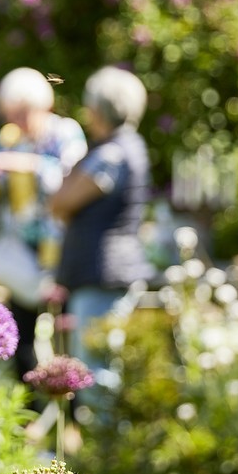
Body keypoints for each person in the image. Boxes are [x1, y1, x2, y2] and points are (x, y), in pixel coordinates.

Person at [0, 67, 87, 394]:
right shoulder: (8, 138)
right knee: (22, 337)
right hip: (20, 256)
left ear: (41, 105)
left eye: (20, 113)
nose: (15, 121)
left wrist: (20, 163)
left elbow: (71, 180)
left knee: (63, 338)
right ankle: (29, 417)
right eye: (10, 114)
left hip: (58, 254)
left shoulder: (64, 133)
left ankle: (68, 420)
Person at [50, 66, 156, 405]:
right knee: (99, 365)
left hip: (103, 274)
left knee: (96, 370)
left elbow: (61, 202)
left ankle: (102, 449)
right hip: (107, 271)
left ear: (99, 109)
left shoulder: (111, 153)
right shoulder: (125, 145)